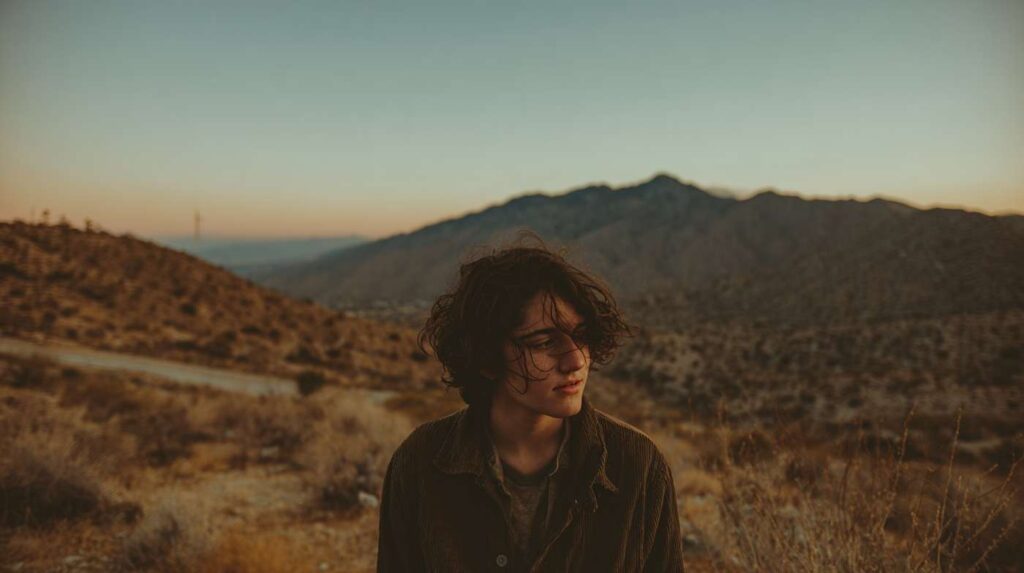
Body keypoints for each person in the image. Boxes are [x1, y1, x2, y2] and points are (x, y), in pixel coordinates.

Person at [377, 240, 684, 572]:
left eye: (581, 336)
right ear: (486, 358)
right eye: (543, 342)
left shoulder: (638, 465)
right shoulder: (419, 463)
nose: (575, 360)